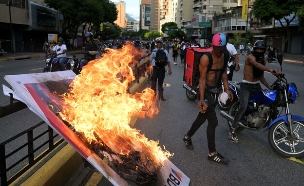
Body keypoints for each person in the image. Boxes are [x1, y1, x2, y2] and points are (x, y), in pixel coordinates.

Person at [183, 33, 232, 164]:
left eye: (221, 50)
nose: (219, 53)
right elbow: (202, 79)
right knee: (213, 121)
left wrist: (226, 89)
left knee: (202, 117)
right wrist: (201, 99)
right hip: (205, 91)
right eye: (217, 50)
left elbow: (223, 73)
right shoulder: (206, 58)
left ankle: (187, 136)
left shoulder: (225, 55)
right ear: (212, 46)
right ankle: (212, 153)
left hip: (215, 91)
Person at [228, 40, 281, 143]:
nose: (260, 51)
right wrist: (270, 70)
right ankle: (232, 130)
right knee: (243, 107)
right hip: (246, 86)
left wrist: (269, 86)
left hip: (256, 86)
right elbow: (256, 65)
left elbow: (260, 75)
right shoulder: (250, 57)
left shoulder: (263, 59)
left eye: (262, 49)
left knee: (271, 103)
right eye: (258, 49)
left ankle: (275, 127)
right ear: (254, 49)